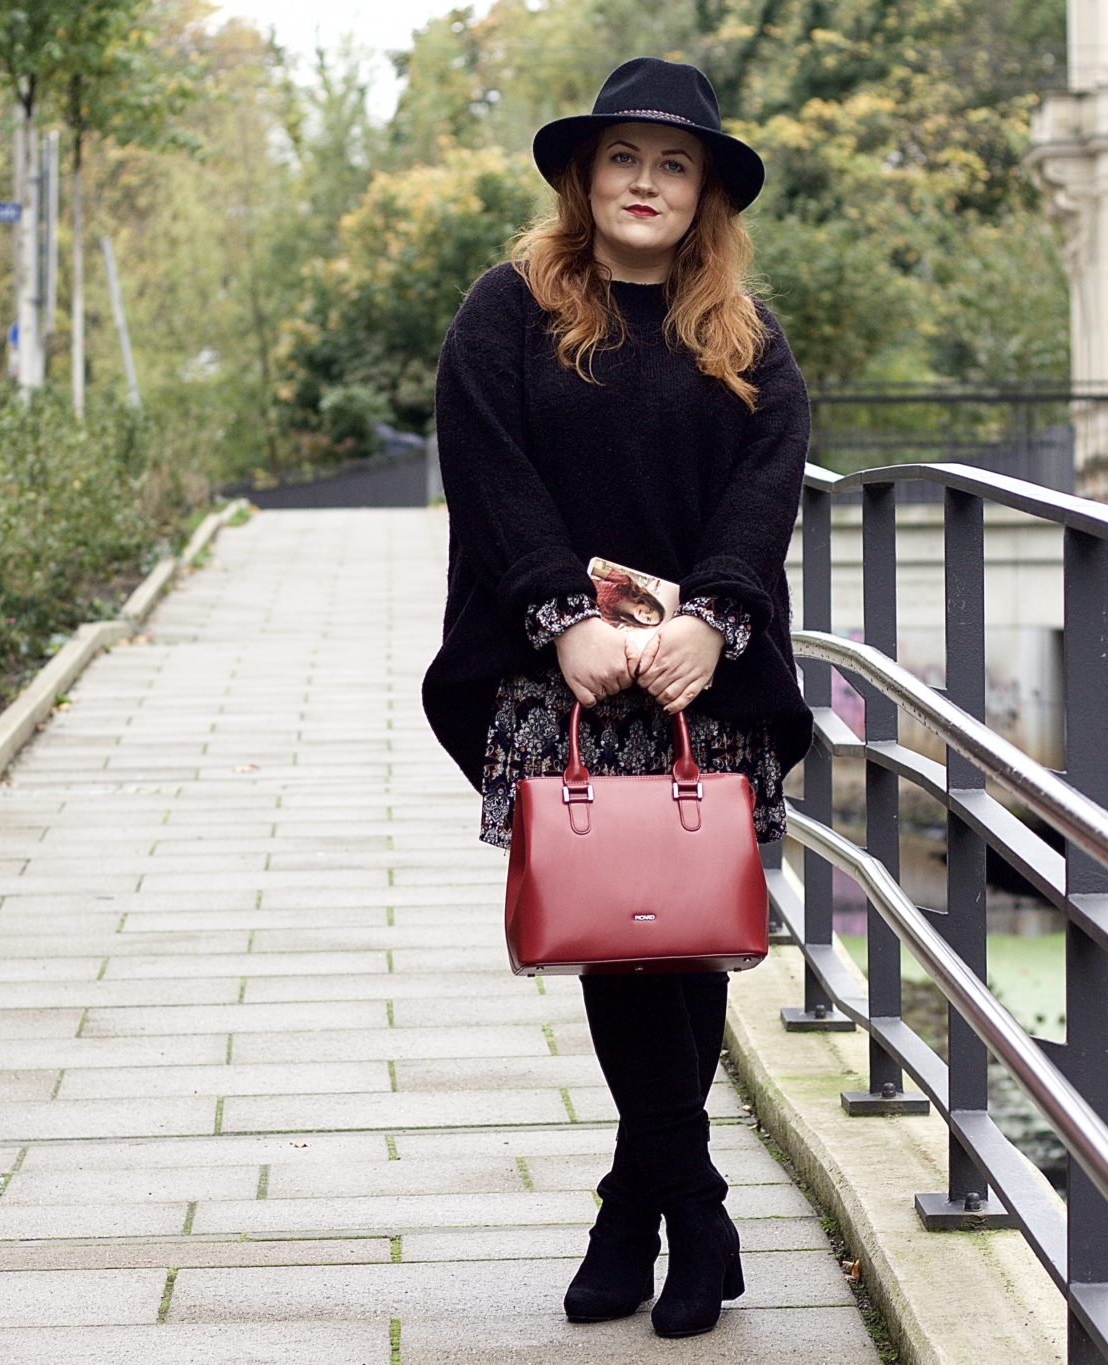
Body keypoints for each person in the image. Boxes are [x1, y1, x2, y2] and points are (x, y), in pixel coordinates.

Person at [421, 56, 813, 1340]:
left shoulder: (746, 336)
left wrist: (710, 618)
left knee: (687, 941)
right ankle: (690, 1204)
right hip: (570, 689)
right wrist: (561, 616)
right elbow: (487, 475)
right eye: (623, 160)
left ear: (704, 194)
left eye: (674, 164)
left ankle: (634, 1207)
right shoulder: (507, 311)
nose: (645, 183)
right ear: (583, 179)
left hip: (704, 692)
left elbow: (766, 489)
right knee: (616, 936)